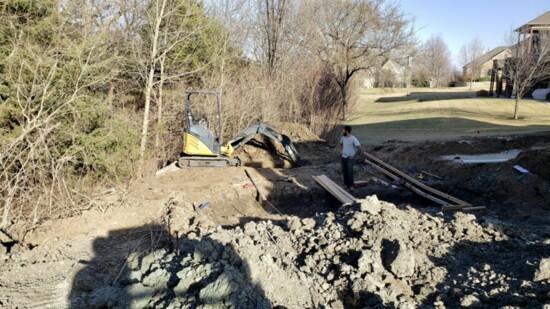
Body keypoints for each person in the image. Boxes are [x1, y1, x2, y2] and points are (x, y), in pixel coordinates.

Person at [339, 125, 363, 192]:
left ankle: (351, 185)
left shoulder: (353, 138)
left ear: (346, 131)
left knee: (350, 172)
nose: (342, 131)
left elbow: (360, 148)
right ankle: (346, 184)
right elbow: (341, 144)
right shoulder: (343, 138)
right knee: (344, 171)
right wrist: (341, 151)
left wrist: (354, 156)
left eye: (343, 130)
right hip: (343, 157)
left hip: (350, 158)